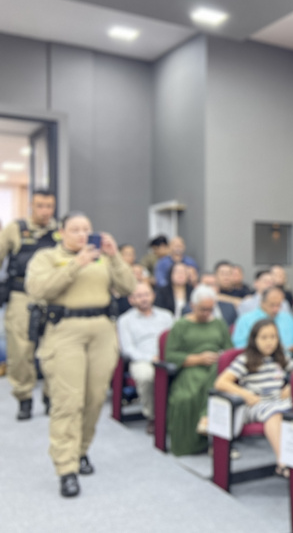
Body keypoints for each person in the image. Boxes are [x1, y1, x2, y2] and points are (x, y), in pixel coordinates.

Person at [26, 211, 135, 497]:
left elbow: (128, 288)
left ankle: (82, 450)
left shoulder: (103, 257)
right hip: (64, 331)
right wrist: (76, 264)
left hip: (101, 330)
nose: (82, 234)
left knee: (95, 398)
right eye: (75, 229)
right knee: (68, 401)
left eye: (87, 229)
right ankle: (66, 467)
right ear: (61, 232)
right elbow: (38, 289)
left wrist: (115, 257)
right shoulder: (47, 257)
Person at [214, 319, 293, 475]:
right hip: (255, 404)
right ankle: (283, 462)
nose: (269, 342)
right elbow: (221, 382)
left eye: (273, 337)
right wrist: (245, 394)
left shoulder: (281, 358)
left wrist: (291, 386)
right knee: (274, 413)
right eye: (264, 338)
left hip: (279, 401)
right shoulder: (245, 359)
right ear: (254, 340)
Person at [0, 189, 57, 420]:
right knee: (20, 351)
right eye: (40, 205)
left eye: (49, 206)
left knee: (53, 349)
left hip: (52, 296)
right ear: (31, 205)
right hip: (20, 296)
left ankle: (50, 396)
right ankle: (24, 398)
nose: (45, 211)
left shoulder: (59, 232)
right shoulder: (15, 228)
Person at [163, 285, 231, 456]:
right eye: (203, 309)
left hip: (216, 368)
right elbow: (170, 354)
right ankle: (191, 442)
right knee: (186, 397)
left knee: (216, 383)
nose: (207, 313)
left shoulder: (219, 324)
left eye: (210, 309)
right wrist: (198, 359)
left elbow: (230, 350)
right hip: (190, 368)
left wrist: (218, 356)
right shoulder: (181, 325)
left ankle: (207, 422)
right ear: (192, 306)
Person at [116, 282, 173, 434]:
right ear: (131, 300)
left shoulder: (166, 315)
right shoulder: (125, 320)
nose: (144, 299)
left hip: (166, 357)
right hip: (141, 360)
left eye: (146, 294)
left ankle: (174, 415)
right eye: (139, 296)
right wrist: (150, 358)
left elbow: (174, 339)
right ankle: (153, 417)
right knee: (147, 376)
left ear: (153, 296)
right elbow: (128, 349)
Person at [232, 287, 293, 354]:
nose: (275, 309)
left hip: (287, 360)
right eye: (272, 305)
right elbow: (240, 347)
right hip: (257, 360)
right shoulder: (245, 320)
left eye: (279, 305)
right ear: (262, 303)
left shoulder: (287, 317)